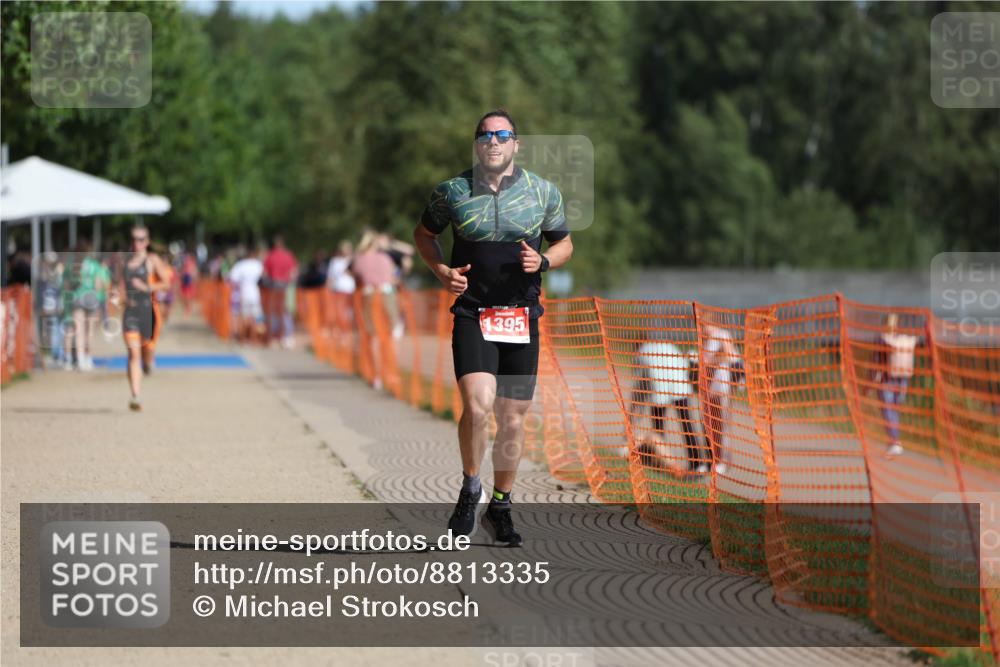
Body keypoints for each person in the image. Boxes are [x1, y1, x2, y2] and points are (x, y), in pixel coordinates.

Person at [413, 109, 573, 546]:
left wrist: (542, 261)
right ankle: (470, 488)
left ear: (516, 144)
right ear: (477, 144)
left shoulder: (542, 193)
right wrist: (441, 270)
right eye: (485, 135)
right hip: (473, 313)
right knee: (478, 407)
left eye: (502, 135)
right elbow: (424, 235)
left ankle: (500, 505)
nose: (493, 142)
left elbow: (563, 245)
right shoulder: (452, 192)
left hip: (521, 316)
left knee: (513, 420)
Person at [631, 341, 707, 473]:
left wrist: (635, 412)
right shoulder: (666, 345)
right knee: (687, 425)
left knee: (658, 428)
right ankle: (698, 464)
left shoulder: (641, 353)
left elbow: (640, 384)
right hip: (679, 384)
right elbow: (684, 364)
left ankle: (659, 461)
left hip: (660, 388)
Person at [118, 225, 171, 411]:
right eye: (134, 239)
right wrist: (117, 297)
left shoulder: (152, 260)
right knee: (133, 354)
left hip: (148, 311)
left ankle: (148, 364)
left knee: (146, 353)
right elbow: (119, 286)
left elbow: (166, 283)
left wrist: (147, 288)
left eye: (141, 239)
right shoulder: (124, 261)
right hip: (130, 313)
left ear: (147, 242)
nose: (137, 243)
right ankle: (135, 396)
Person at [351, 229, 398, 391]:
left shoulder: (359, 260)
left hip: (369, 297)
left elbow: (356, 279)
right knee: (389, 337)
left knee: (373, 338)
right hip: (387, 297)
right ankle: (391, 374)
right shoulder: (385, 258)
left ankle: (376, 376)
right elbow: (393, 277)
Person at [872, 313, 917, 459]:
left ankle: (894, 442)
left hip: (887, 379)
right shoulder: (904, 340)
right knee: (894, 410)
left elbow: (876, 361)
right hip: (903, 378)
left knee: (888, 410)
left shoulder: (881, 339)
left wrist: (871, 381)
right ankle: (894, 442)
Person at [700, 321, 738, 476]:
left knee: (722, 425)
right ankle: (712, 460)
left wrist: (711, 362)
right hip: (709, 387)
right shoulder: (704, 339)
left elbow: (730, 357)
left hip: (722, 386)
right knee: (709, 424)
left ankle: (723, 461)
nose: (702, 330)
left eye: (702, 326)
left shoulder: (722, 335)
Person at [263, 235, 298, 348]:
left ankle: (274, 337)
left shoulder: (270, 256)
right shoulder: (288, 255)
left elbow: (264, 273)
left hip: (274, 286)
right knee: (286, 311)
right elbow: (294, 272)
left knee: (274, 312)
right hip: (286, 286)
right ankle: (287, 337)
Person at [228, 247, 266, 343]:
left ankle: (243, 337)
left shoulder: (241, 265)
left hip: (244, 294)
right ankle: (254, 338)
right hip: (255, 294)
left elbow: (232, 279)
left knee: (244, 317)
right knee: (256, 318)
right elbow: (264, 277)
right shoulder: (258, 265)